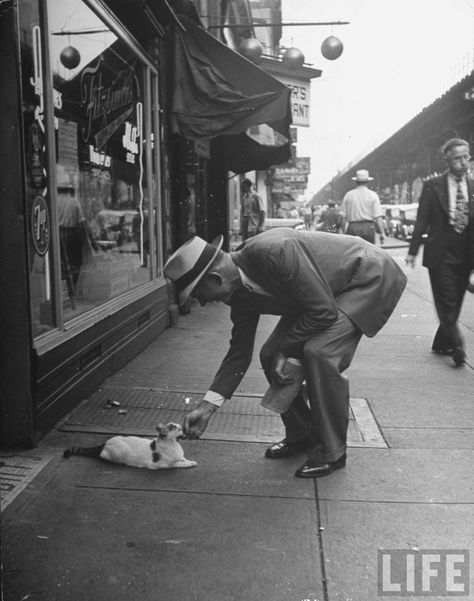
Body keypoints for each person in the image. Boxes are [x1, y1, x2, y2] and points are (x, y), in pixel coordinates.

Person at [164, 228, 407, 478]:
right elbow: (239, 353)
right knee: (270, 356)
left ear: (215, 279)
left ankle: (331, 451)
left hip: (365, 276)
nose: (201, 302)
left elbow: (323, 311)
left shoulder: (275, 251)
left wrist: (287, 348)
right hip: (319, 294)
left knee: (320, 353)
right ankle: (301, 434)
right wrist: (207, 407)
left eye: (197, 294)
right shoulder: (238, 293)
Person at [406, 137, 474, 367]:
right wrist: (413, 251)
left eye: (467, 157)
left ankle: (441, 342)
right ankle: (457, 346)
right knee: (446, 300)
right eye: (457, 158)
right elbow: (421, 220)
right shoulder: (433, 185)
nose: (463, 162)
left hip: (466, 253)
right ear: (447, 160)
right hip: (441, 253)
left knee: (454, 300)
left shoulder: (473, 186)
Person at [56, 169, 87, 292]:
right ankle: (72, 287)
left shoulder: (53, 201)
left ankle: (60, 288)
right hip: (71, 234)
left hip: (56, 234)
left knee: (59, 262)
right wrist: (85, 238)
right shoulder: (74, 202)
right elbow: (81, 221)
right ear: (68, 189)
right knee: (75, 261)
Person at [340, 169, 385, 244]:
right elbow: (378, 216)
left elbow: (343, 217)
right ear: (368, 182)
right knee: (368, 253)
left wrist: (344, 231)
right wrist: (382, 233)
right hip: (368, 227)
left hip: (352, 227)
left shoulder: (348, 195)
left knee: (353, 253)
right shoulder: (373, 195)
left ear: (356, 181)